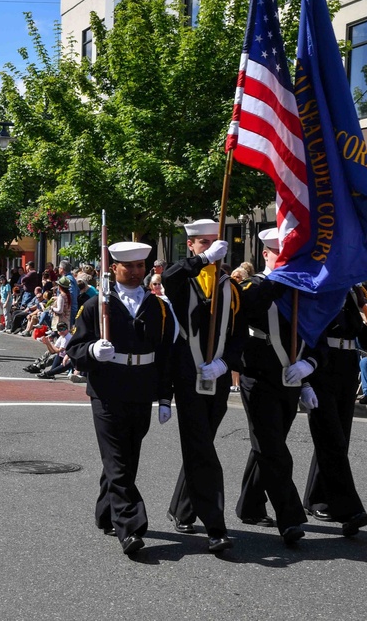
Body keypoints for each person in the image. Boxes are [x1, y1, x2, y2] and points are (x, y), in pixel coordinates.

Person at [66, 240, 176, 555]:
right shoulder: (96, 305)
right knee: (116, 459)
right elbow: (74, 348)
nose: (136, 271)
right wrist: (91, 350)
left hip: (141, 388)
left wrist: (165, 397)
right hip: (107, 390)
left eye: (140, 266)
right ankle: (130, 526)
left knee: (127, 457)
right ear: (114, 268)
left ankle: (106, 512)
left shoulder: (158, 307)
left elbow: (165, 355)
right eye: (129, 266)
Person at [234, 228, 325, 546]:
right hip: (258, 377)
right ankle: (289, 518)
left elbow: (313, 334)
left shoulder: (302, 289)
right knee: (274, 450)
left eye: (290, 254)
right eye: (278, 253)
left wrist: (308, 370)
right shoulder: (253, 286)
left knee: (266, 446)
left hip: (291, 378)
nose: (285, 259)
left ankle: (249, 505)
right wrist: (279, 278)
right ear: (265, 254)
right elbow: (251, 308)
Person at [162, 219, 239, 553]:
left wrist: (226, 363)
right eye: (202, 243)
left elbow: (239, 333)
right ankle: (215, 525)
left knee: (201, 444)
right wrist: (204, 261)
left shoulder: (229, 285)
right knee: (203, 450)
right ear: (191, 245)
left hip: (217, 378)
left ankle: (182, 507)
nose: (209, 247)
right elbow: (169, 276)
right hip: (188, 377)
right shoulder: (185, 279)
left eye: (214, 242)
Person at [302, 288, 367, 537]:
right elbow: (307, 331)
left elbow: (361, 333)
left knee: (339, 436)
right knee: (331, 437)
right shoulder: (318, 291)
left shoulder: (351, 294)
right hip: (323, 364)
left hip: (347, 364)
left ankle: (316, 498)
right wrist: (306, 380)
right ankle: (347, 509)